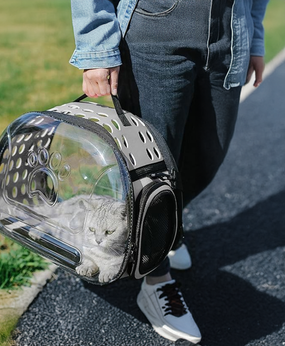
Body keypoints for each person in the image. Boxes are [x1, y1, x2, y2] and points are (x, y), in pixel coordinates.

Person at [69, 0, 269, 343]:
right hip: (157, 27)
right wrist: (96, 47)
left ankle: (166, 231)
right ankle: (155, 280)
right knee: (152, 174)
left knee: (209, 158)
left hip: (232, 31)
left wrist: (254, 37)